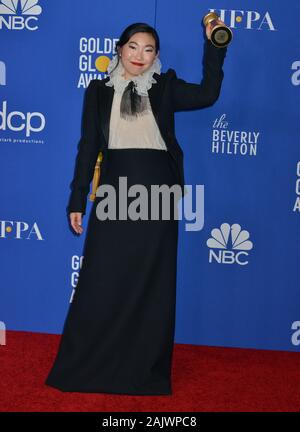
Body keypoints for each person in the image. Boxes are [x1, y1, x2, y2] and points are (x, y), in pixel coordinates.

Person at [45, 21, 228, 395]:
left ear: (156, 55)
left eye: (148, 49)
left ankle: (144, 370)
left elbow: (209, 95)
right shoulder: (98, 91)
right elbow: (87, 148)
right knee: (103, 277)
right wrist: (78, 198)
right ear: (120, 49)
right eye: (133, 47)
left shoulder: (166, 88)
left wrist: (215, 48)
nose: (140, 56)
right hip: (115, 190)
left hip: (158, 191)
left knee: (153, 281)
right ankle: (89, 365)